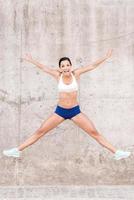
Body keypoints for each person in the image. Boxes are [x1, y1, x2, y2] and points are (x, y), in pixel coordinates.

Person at [3, 50, 131, 160]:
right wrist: (31, 60)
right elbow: (43, 68)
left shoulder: (77, 74)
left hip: (75, 111)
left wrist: (105, 57)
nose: (65, 67)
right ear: (60, 68)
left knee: (94, 132)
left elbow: (92, 66)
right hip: (60, 111)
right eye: (63, 66)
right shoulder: (57, 75)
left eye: (67, 65)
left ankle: (117, 152)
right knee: (40, 131)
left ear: (71, 66)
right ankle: (17, 150)